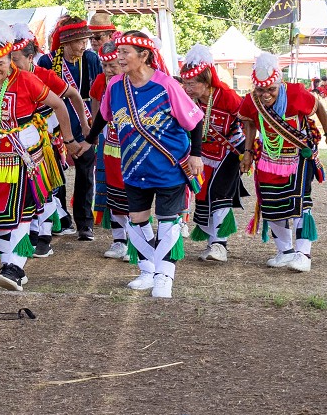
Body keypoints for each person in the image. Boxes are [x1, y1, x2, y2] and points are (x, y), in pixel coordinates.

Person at [0, 19, 80, 291]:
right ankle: (9, 265)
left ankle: (14, 267)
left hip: (24, 156)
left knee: (22, 213)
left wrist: (69, 139)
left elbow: (60, 104)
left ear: (10, 59)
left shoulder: (27, 80)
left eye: (0, 63)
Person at [84, 31, 204, 298]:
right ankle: (147, 270)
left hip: (168, 167)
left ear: (144, 56)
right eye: (119, 51)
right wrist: (88, 141)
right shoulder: (115, 85)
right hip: (133, 168)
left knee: (168, 222)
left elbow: (195, 121)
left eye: (126, 52)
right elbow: (103, 117)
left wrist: (195, 154)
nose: (120, 57)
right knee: (136, 221)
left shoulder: (166, 85)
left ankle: (164, 276)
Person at [239, 52, 327, 273]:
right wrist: (247, 152)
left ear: (279, 83)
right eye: (260, 90)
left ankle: (303, 253)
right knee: (272, 205)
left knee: (300, 203)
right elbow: (250, 124)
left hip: (298, 156)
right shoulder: (250, 100)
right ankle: (285, 251)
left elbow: (318, 107)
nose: (265, 95)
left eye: (270, 90)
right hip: (268, 158)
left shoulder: (295, 93)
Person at [10, 23, 88, 259]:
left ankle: (44, 235)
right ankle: (32, 232)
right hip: (15, 142)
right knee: (23, 187)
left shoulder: (43, 75)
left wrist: (79, 128)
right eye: (9, 59)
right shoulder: (7, 78)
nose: (11, 65)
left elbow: (72, 96)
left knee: (42, 186)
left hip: (43, 140)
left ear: (31, 57)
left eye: (16, 59)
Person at [179, 45, 248, 263]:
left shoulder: (226, 96)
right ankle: (212, 242)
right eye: (185, 84)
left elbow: (247, 120)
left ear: (206, 82)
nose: (187, 88)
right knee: (203, 195)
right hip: (202, 154)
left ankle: (220, 245)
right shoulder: (188, 99)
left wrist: (249, 152)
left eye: (192, 84)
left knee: (220, 194)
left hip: (229, 152)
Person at [38, 15, 100, 240]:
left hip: (83, 120)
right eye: (79, 41)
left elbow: (95, 92)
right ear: (65, 42)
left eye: (85, 40)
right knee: (57, 172)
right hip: (55, 120)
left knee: (85, 172)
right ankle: (61, 219)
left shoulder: (91, 59)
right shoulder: (47, 61)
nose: (83, 45)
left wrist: (92, 124)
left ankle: (85, 223)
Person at [88, 39, 130, 262]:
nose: (108, 70)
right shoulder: (101, 82)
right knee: (111, 189)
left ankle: (136, 239)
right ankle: (119, 239)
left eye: (112, 65)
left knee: (132, 191)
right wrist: (94, 134)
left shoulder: (135, 82)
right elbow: (97, 107)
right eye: (105, 66)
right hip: (109, 143)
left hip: (132, 146)